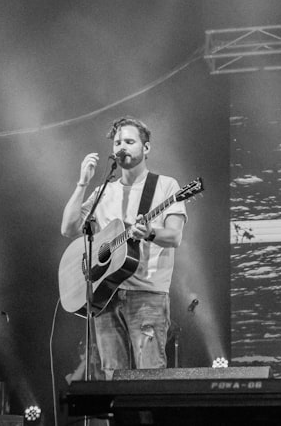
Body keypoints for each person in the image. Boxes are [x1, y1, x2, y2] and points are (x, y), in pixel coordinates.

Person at [60, 117, 187, 377]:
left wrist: (150, 232)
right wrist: (83, 182)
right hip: (105, 295)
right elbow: (68, 229)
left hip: (147, 295)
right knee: (112, 379)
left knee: (150, 378)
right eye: (118, 142)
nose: (122, 147)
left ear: (146, 148)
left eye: (129, 141)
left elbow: (174, 237)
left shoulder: (166, 186)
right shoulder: (103, 191)